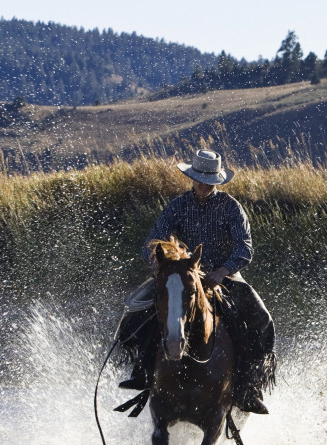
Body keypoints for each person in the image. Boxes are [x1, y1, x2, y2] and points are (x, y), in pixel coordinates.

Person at [117, 149, 274, 414]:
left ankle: (248, 385)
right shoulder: (177, 205)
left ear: (216, 180)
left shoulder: (231, 207)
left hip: (223, 276)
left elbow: (244, 247)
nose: (203, 183)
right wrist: (157, 264)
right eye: (199, 178)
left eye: (208, 179)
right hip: (180, 274)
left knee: (261, 320)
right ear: (193, 177)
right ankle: (142, 372)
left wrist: (223, 271)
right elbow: (154, 239)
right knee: (134, 313)